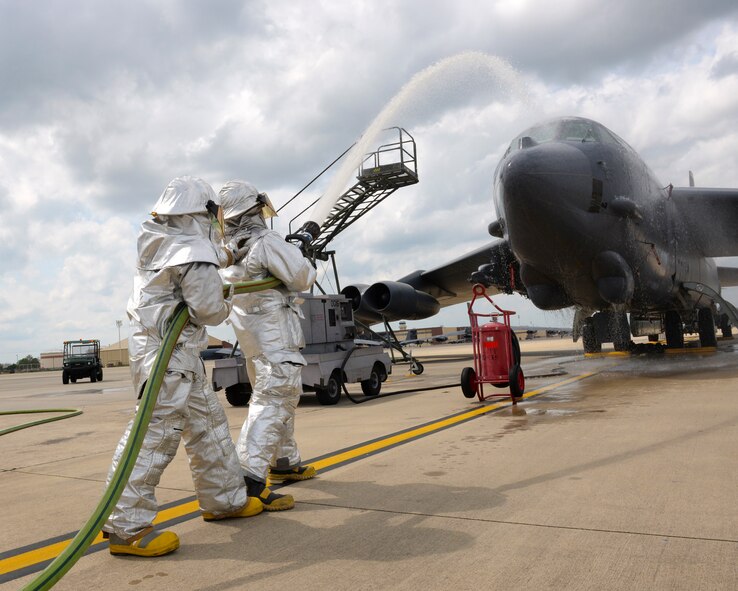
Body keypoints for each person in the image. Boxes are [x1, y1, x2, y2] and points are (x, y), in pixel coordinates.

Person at [103, 176, 262, 558]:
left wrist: (227, 253)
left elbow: (202, 257)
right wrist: (230, 294)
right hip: (168, 356)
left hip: (169, 353)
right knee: (154, 435)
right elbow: (208, 309)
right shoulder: (192, 250)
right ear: (205, 212)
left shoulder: (159, 240)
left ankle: (225, 500)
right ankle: (126, 528)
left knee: (208, 425)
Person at [219, 180, 317, 511]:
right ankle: (247, 479)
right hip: (277, 342)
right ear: (256, 209)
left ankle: (285, 461)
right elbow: (302, 277)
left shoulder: (227, 256)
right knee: (276, 400)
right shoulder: (266, 242)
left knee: (280, 399)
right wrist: (302, 251)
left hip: (253, 345)